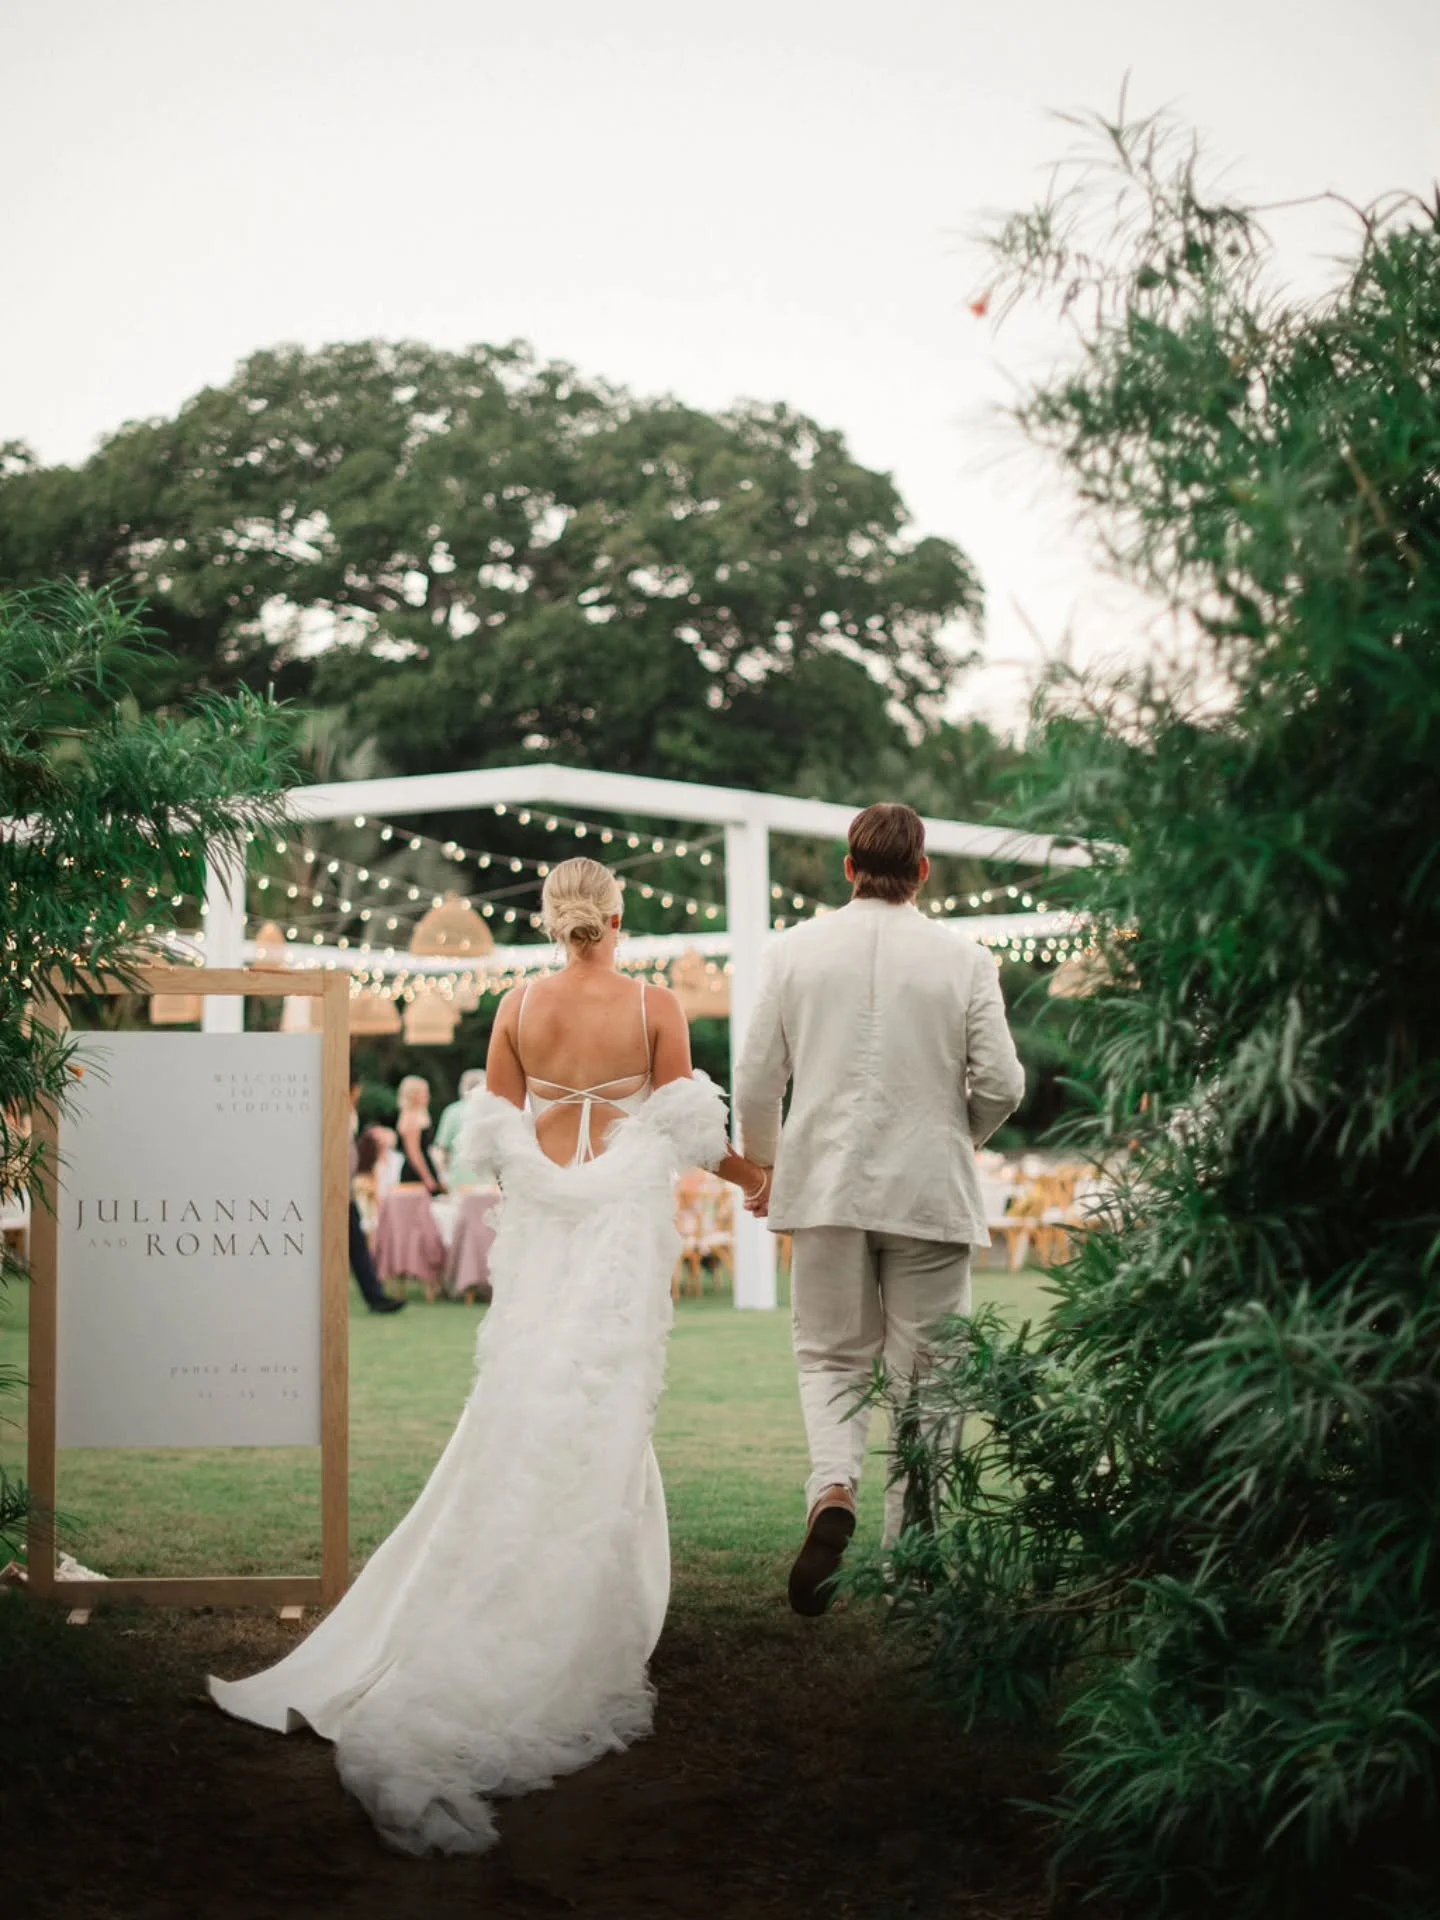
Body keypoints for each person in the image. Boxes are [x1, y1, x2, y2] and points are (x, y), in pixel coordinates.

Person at [208, 857, 766, 1854]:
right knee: (601, 1415)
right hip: (617, 1254)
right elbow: (689, 1131)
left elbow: (495, 1145)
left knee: (521, 1412)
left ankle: (529, 1590)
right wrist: (754, 1176)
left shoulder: (514, 1008)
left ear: (551, 919)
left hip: (545, 1251)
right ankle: (575, 1621)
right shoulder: (656, 1009)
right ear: (620, 913)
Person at [737, 802, 1025, 1616]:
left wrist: (765, 1168)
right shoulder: (965, 958)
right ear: (924, 870)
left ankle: (833, 1489)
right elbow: (1004, 1083)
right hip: (929, 1193)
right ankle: (915, 1550)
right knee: (928, 1373)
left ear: (848, 866)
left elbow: (759, 1081)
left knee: (831, 1357)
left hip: (825, 1189)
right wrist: (951, 1132)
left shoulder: (792, 952)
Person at [347, 1082, 403, 1315]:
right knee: (356, 1244)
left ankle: (375, 1295)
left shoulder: (350, 1112)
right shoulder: (340, 1110)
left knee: (357, 1244)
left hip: (345, 1191)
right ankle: (375, 1295)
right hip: (339, 1192)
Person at [433, 1067, 485, 1188]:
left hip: (459, 1175)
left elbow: (441, 1149)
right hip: (488, 1176)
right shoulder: (493, 1111)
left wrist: (443, 1175)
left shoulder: (452, 1111)